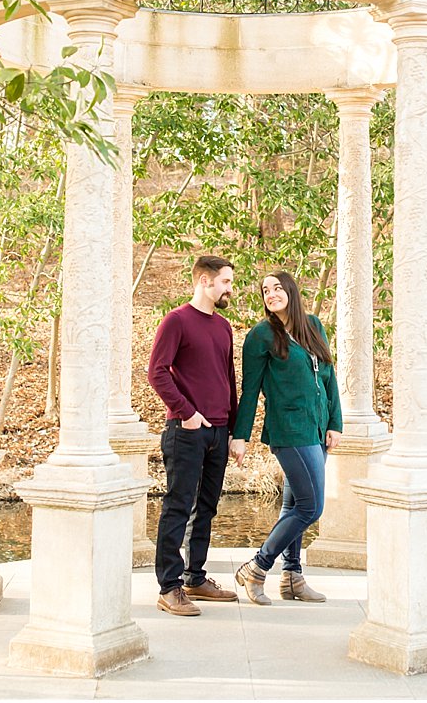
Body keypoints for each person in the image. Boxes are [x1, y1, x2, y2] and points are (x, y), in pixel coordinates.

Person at [229, 271, 342, 605]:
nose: (271, 293)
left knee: (294, 504)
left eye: (277, 287)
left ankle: (292, 577)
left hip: (318, 429)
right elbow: (250, 391)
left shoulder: (312, 326)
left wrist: (335, 422)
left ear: (291, 291)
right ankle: (258, 566)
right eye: (265, 290)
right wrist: (240, 436)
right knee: (312, 506)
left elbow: (329, 376)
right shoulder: (260, 336)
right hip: (289, 431)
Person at [146, 255, 241, 617]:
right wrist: (187, 413)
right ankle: (169, 588)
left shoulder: (223, 327)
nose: (230, 288)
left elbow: (228, 380)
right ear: (205, 281)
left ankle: (195, 577)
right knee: (178, 506)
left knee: (208, 507)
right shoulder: (176, 321)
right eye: (226, 282)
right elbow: (157, 372)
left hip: (218, 430)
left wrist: (232, 430)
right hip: (185, 431)